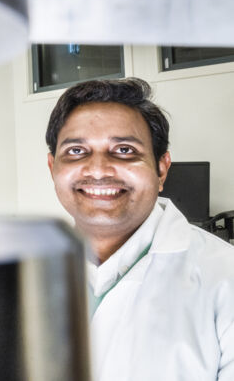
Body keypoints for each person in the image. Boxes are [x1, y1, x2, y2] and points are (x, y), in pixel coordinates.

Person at [45, 77, 234, 380]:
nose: (98, 169)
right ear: (53, 167)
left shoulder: (225, 277)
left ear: (161, 169)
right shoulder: (15, 277)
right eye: (77, 151)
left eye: (123, 150)